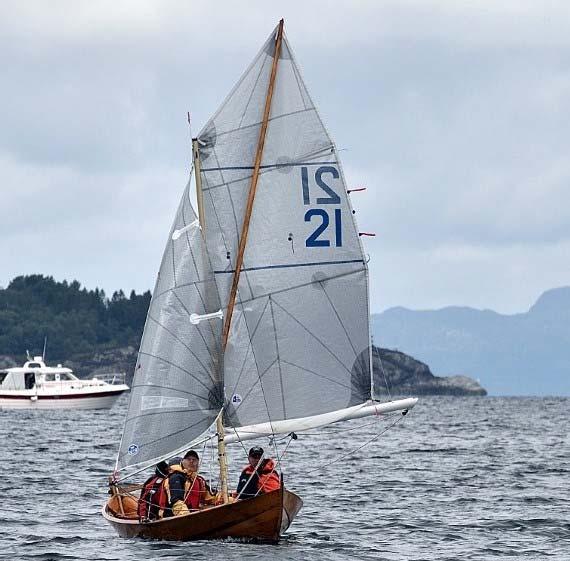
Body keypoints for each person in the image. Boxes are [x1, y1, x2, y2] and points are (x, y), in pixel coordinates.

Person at [163, 450, 218, 516]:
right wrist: (187, 516)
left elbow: (211, 496)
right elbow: (176, 501)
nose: (191, 462)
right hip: (174, 517)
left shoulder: (198, 480)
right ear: (183, 461)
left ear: (198, 463)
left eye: (194, 460)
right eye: (189, 459)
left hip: (191, 514)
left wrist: (228, 499)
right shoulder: (175, 477)